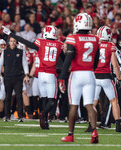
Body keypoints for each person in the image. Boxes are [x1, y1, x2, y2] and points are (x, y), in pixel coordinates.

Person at [2, 25, 65, 129]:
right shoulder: (59, 44)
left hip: (40, 75)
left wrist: (10, 34)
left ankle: (44, 122)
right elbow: (63, 60)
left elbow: (25, 42)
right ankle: (43, 114)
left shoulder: (41, 42)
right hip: (51, 75)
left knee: (43, 99)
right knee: (52, 101)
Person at [58, 13, 100, 143]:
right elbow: (97, 60)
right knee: (89, 105)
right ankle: (94, 132)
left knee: (74, 105)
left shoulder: (72, 38)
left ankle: (70, 135)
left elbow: (68, 59)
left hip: (76, 74)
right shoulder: (95, 39)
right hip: (90, 74)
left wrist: (62, 77)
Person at [85, 26, 121, 132]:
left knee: (93, 103)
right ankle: (118, 126)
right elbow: (115, 65)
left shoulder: (95, 44)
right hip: (106, 76)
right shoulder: (111, 45)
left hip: (95, 76)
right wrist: (119, 77)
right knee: (114, 101)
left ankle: (91, 125)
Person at [0, 37, 29, 122]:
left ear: (16, 42)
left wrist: (26, 74)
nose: (13, 43)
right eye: (11, 41)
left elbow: (25, 64)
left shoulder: (21, 52)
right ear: (9, 43)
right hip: (8, 77)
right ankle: (7, 116)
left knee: (19, 97)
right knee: (8, 97)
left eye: (14, 41)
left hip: (18, 77)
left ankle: (20, 116)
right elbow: (0, 64)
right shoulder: (4, 52)